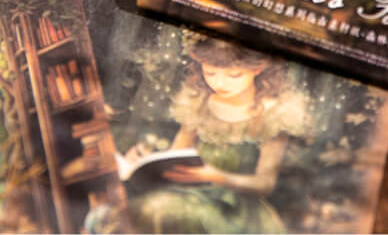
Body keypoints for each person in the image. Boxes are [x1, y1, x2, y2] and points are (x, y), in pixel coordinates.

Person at [127, 36, 307, 234]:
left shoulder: (275, 114)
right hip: (190, 194)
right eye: (210, 73)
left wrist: (218, 177)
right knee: (152, 207)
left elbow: (265, 184)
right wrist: (148, 162)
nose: (220, 83)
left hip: (234, 208)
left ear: (258, 68)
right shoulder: (199, 102)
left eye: (234, 75)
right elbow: (176, 153)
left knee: (175, 212)